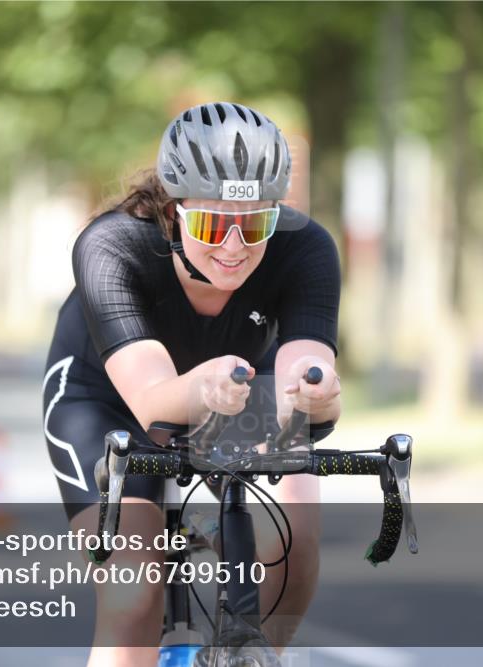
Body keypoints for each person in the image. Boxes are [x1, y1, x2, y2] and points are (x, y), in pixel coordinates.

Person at [42, 102, 342, 667]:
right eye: (211, 224)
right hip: (109, 400)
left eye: (254, 224)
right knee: (133, 593)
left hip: (235, 384)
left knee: (294, 548)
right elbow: (154, 401)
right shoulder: (112, 245)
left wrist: (316, 393)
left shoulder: (307, 248)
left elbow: (307, 369)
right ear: (173, 210)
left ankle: (251, 657)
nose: (233, 246)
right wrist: (207, 389)